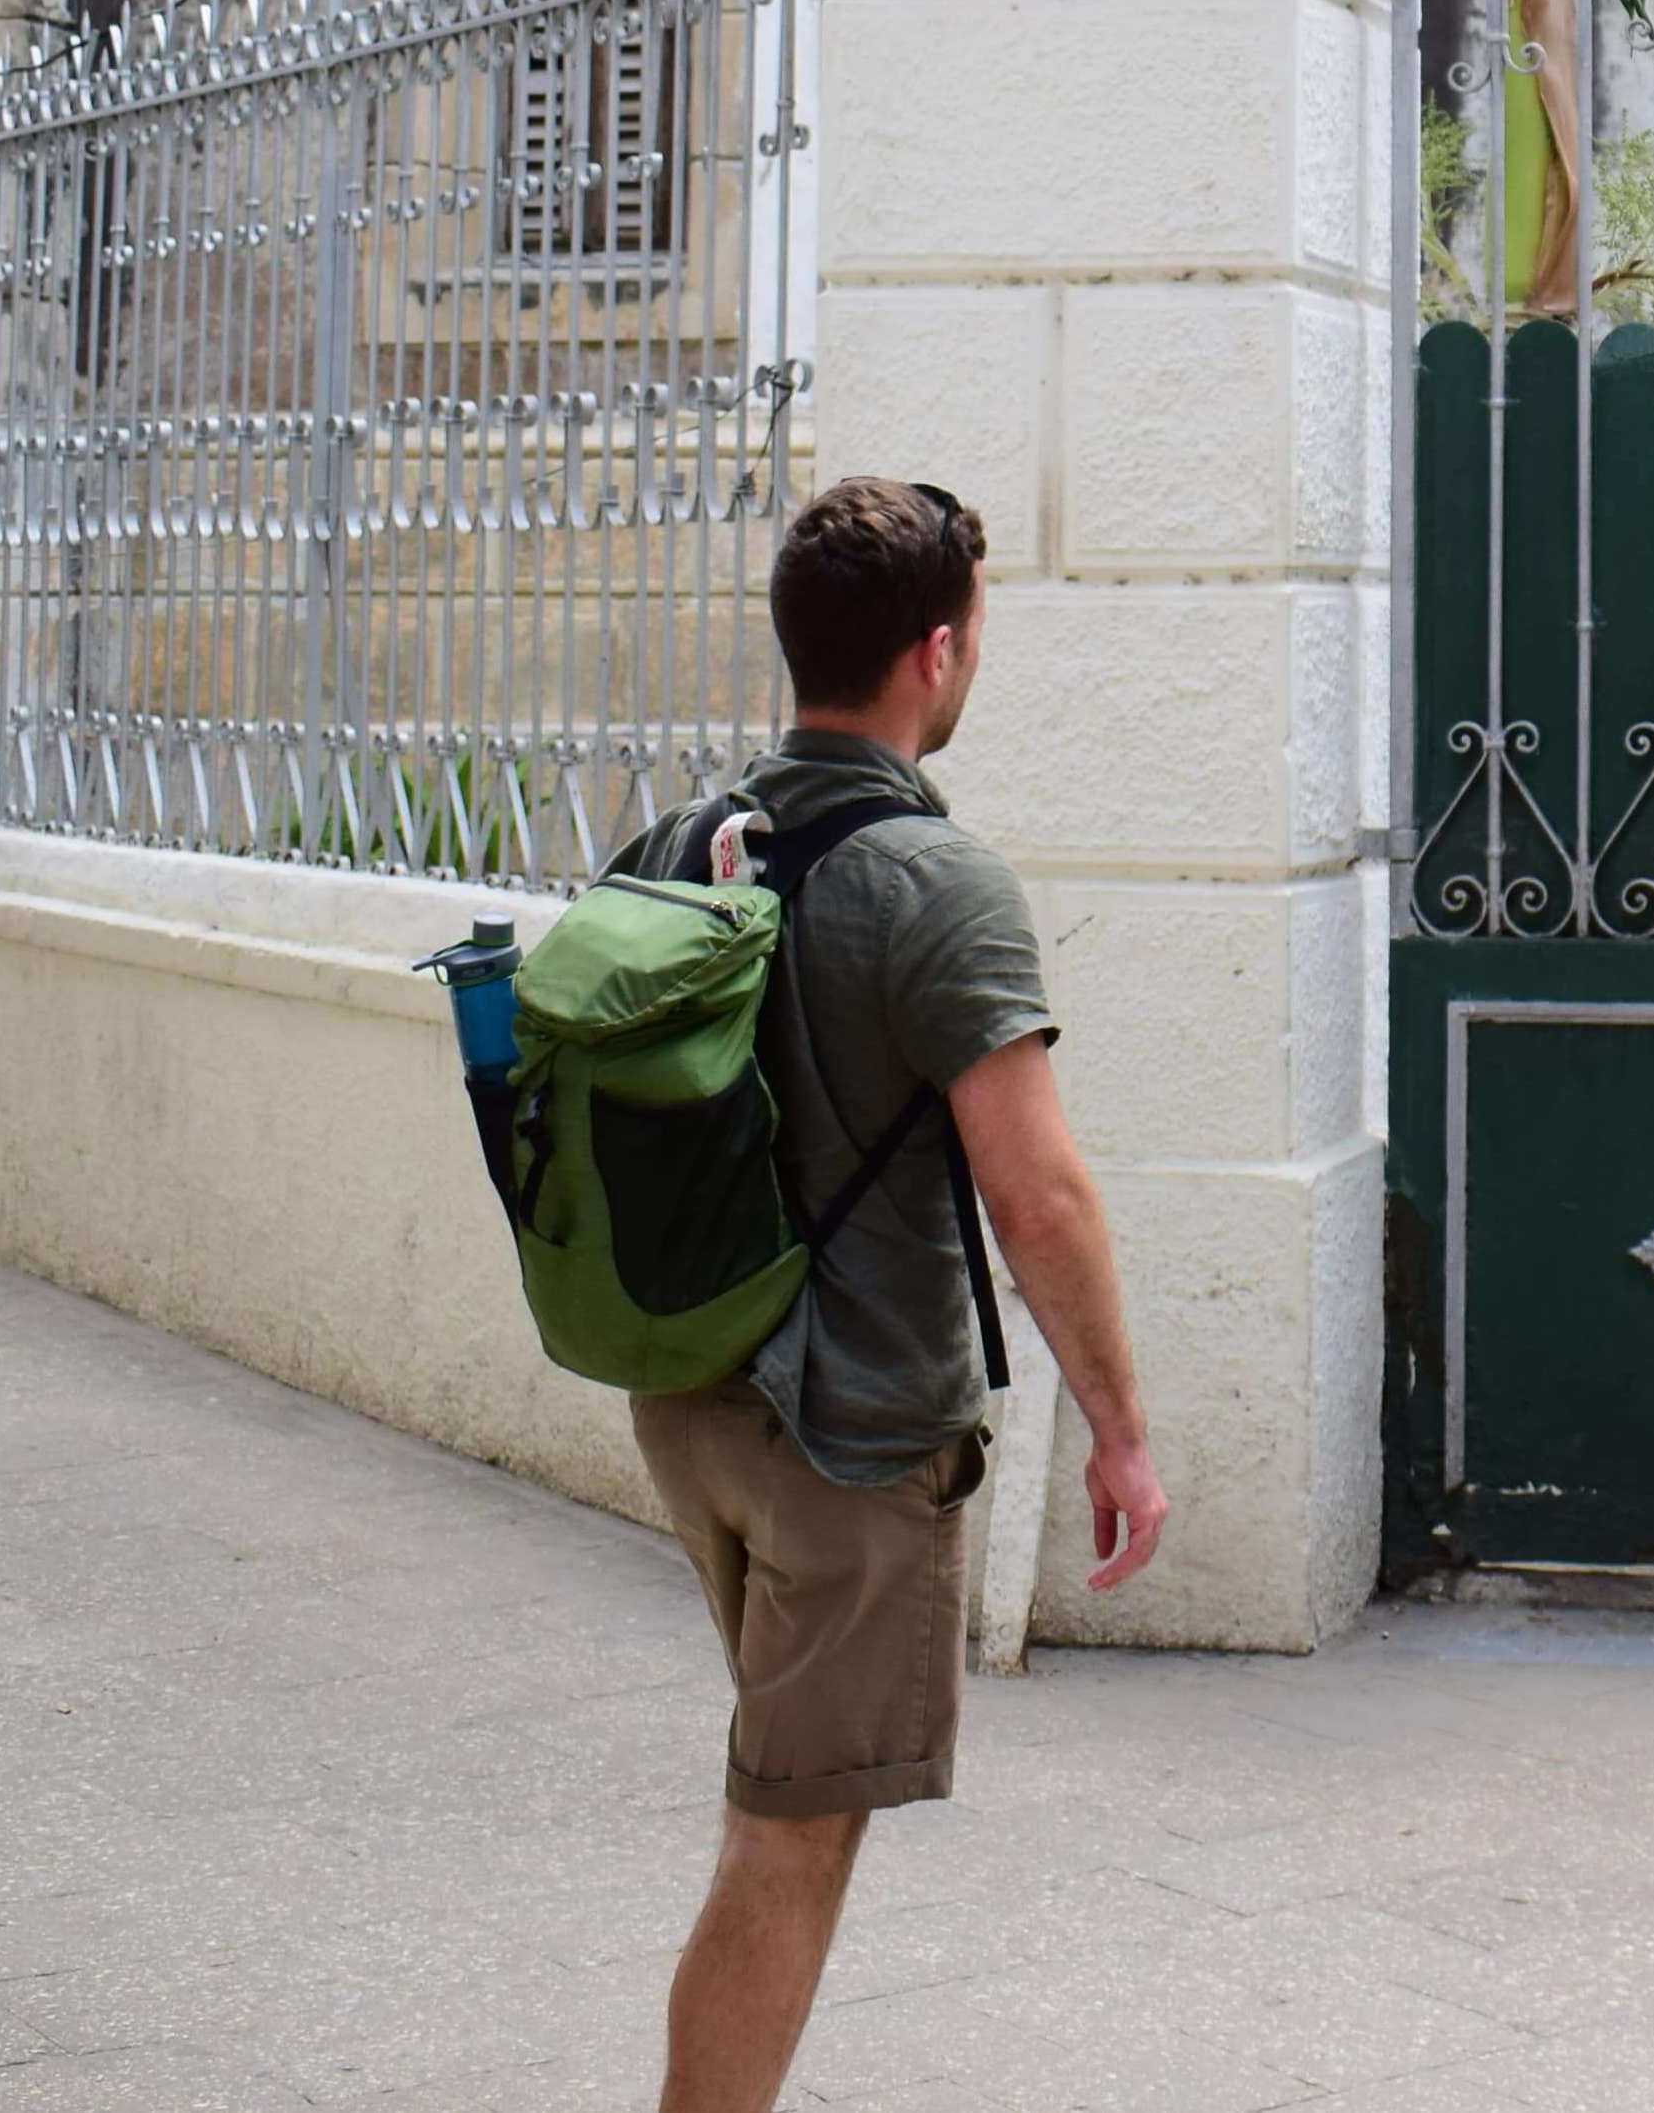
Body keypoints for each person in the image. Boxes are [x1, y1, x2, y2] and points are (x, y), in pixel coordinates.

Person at [640, 477, 1168, 2113]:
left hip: (697, 1397)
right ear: (936, 652)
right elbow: (1040, 1195)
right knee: (785, 1836)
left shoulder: (678, 840)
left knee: (793, 1801)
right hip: (849, 1432)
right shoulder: (933, 884)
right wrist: (1122, 1432)